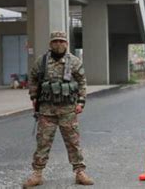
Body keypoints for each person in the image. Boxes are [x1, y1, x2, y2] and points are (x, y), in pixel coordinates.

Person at [23, 31, 93, 187]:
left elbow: (82, 82)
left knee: (73, 142)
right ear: (50, 44)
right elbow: (33, 79)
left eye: (62, 41)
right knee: (43, 142)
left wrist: (81, 102)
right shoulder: (41, 62)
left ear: (66, 44)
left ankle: (79, 172)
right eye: (55, 41)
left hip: (68, 110)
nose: (59, 44)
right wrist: (34, 97)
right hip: (46, 110)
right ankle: (37, 174)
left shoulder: (74, 62)